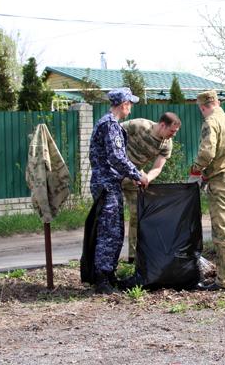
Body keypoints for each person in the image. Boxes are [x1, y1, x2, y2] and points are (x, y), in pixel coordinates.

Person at [89, 87, 148, 294]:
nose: (130, 107)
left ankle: (109, 274)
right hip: (106, 185)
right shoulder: (110, 125)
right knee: (108, 232)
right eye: (130, 103)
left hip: (109, 184)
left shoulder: (108, 123)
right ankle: (102, 279)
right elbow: (116, 157)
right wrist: (137, 174)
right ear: (124, 104)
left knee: (114, 230)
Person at [188, 90, 225, 291]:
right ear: (217, 102)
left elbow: (207, 152)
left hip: (221, 181)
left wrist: (196, 169)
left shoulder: (211, 122)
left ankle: (224, 280)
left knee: (222, 232)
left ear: (203, 107)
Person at [121, 112, 181, 263]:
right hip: (113, 176)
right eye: (171, 131)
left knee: (138, 216)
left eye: (175, 132)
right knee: (111, 217)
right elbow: (112, 137)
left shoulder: (167, 143)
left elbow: (158, 167)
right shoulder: (139, 125)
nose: (173, 135)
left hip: (134, 180)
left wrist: (147, 177)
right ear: (162, 125)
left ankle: (133, 258)